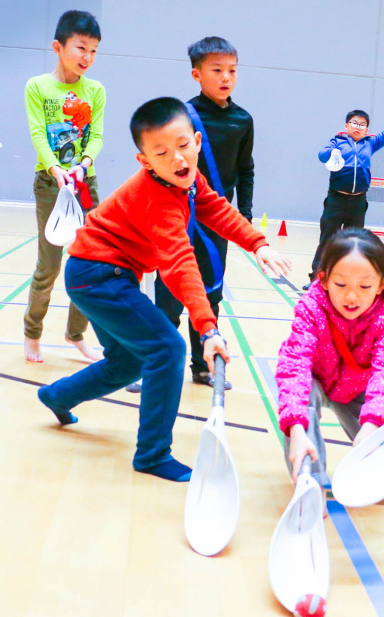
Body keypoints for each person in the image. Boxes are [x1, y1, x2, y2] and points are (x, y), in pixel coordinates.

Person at [36, 97, 290, 482]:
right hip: (98, 276)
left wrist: (259, 243)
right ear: (145, 161)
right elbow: (179, 263)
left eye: (183, 145)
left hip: (102, 274)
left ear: (198, 141)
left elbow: (217, 210)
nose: (177, 159)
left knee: (128, 363)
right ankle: (153, 455)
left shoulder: (188, 179)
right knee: (168, 347)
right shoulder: (158, 198)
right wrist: (207, 328)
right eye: (161, 152)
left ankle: (56, 396)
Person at [144, 36, 255, 391]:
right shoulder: (182, 115)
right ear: (196, 74)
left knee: (210, 293)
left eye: (232, 71)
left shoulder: (242, 120)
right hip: (179, 218)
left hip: (216, 220)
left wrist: (246, 216)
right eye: (217, 70)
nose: (226, 77)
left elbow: (246, 170)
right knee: (169, 293)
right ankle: (156, 368)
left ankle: (202, 366)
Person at [278, 228, 384, 486]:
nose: (351, 296)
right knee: (302, 405)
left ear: (381, 285)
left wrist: (373, 424)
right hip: (316, 380)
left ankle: (379, 450)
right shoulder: (310, 308)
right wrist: (296, 427)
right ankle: (309, 479)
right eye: (341, 284)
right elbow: (295, 366)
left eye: (365, 286)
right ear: (323, 280)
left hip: (357, 388)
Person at [23, 10, 105, 363]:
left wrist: (83, 166)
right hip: (50, 183)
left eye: (93, 51)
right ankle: (32, 332)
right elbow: (38, 133)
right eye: (81, 48)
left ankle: (76, 334)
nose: (87, 57)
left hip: (85, 182)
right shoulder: (38, 86)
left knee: (92, 261)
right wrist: (56, 169)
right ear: (58, 47)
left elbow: (97, 136)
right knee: (50, 265)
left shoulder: (96, 91)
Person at [304, 90, 384, 290]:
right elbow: (322, 155)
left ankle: (347, 280)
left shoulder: (370, 144)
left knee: (354, 245)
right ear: (346, 125)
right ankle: (317, 280)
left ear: (366, 129)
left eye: (362, 124)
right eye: (354, 123)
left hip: (358, 203)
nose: (358, 127)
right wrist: (331, 153)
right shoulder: (337, 142)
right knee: (327, 241)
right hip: (336, 200)